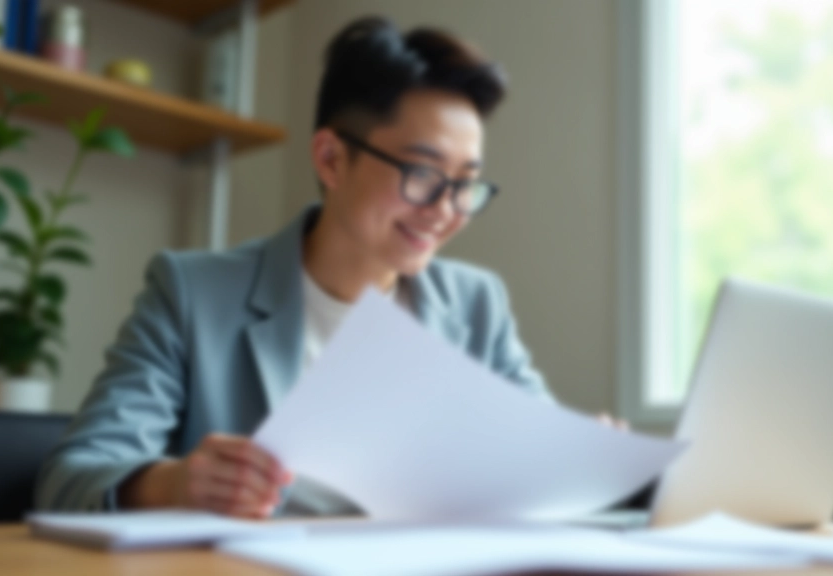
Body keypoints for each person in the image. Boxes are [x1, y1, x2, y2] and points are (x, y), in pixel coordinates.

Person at [35, 16, 555, 518]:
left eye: (465, 183)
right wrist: (173, 484)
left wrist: (598, 471)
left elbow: (544, 461)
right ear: (331, 159)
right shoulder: (192, 295)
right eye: (422, 173)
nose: (445, 209)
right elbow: (69, 479)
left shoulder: (477, 305)